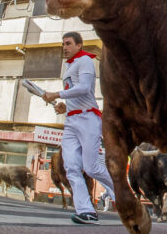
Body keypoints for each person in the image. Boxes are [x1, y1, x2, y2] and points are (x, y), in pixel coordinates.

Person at [42, 31, 115, 224]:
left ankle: (122, 194)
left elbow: (84, 88)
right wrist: (65, 106)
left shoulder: (85, 62)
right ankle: (86, 211)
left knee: (91, 167)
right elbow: (76, 95)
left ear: (79, 45)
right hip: (72, 122)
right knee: (71, 167)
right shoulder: (70, 66)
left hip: (88, 119)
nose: (64, 47)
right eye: (63, 44)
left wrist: (56, 94)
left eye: (68, 43)